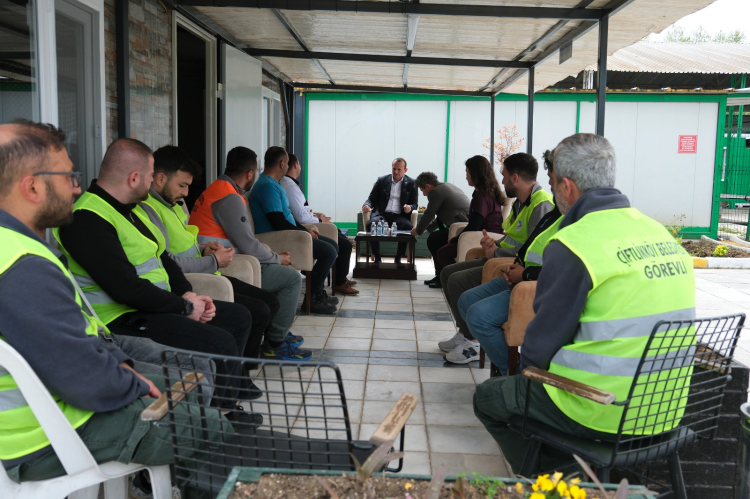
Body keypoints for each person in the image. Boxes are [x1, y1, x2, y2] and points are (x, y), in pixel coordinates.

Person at [0, 121, 231, 489]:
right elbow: (82, 378)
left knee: (191, 381)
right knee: (212, 428)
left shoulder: (15, 245)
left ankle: (170, 480)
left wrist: (121, 367)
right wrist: (130, 382)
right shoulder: (23, 264)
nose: (77, 187)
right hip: (49, 434)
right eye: (68, 177)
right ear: (32, 187)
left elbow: (70, 345)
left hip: (54, 408)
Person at [473, 133, 696, 474]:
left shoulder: (573, 243)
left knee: (488, 398)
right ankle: (587, 474)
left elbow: (539, 348)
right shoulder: (659, 233)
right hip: (666, 408)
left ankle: (561, 481)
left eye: (553, 183)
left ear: (566, 186)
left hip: (600, 409)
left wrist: (527, 377)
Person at [55, 138, 260, 422]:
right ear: (134, 178)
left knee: (238, 317)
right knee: (218, 342)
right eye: (150, 175)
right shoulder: (86, 219)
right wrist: (183, 308)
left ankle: (223, 407)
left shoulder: (130, 210)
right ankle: (217, 419)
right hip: (122, 317)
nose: (153, 182)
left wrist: (187, 295)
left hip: (154, 306)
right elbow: (125, 288)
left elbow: (163, 257)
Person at [142, 145, 289, 361]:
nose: (186, 193)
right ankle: (249, 364)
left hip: (209, 270)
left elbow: (184, 243)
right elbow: (168, 262)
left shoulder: (173, 203)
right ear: (160, 178)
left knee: (266, 303)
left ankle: (248, 363)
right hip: (193, 279)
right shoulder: (149, 209)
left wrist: (204, 250)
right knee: (256, 311)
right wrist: (212, 260)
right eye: (182, 185)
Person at [189, 146, 314, 357]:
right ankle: (276, 342)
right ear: (250, 174)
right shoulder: (229, 197)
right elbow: (248, 245)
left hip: (216, 259)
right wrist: (277, 259)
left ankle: (277, 331)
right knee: (292, 278)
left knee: (278, 277)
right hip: (226, 265)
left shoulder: (215, 189)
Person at [437, 153, 554, 362]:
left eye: (504, 175)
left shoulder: (541, 204)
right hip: (503, 260)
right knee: (447, 273)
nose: (502, 181)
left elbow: (531, 248)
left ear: (515, 178)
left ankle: (473, 342)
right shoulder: (521, 202)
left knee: (457, 281)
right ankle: (465, 333)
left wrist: (496, 253)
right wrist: (494, 244)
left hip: (513, 267)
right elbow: (514, 237)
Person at [248, 146, 338, 314]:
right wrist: (303, 233)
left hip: (289, 234)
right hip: (278, 238)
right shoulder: (267, 186)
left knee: (332, 245)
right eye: (288, 162)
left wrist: (305, 230)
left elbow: (286, 216)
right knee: (329, 251)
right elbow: (278, 221)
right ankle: (312, 298)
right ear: (282, 164)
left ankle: (317, 292)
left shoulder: (274, 184)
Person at [281, 153, 358, 295]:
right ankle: (336, 283)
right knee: (344, 245)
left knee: (340, 238)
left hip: (307, 225)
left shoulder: (290, 184)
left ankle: (339, 279)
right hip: (303, 229)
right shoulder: (288, 186)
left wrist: (316, 216)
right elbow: (300, 217)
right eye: (299, 163)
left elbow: (302, 211)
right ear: (296, 164)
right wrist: (320, 221)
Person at [430, 156, 505, 288]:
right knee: (436, 240)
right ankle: (445, 278)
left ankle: (459, 280)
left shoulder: (482, 196)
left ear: (475, 173)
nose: (466, 176)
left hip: (485, 237)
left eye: (467, 172)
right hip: (480, 234)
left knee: (443, 253)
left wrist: (455, 239)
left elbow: (474, 225)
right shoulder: (484, 192)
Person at [411, 171, 470, 287]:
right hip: (461, 225)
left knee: (433, 240)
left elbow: (429, 214)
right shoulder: (445, 186)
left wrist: (417, 230)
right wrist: (427, 229)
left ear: (428, 186)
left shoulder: (436, 192)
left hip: (461, 227)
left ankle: (441, 278)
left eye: (422, 190)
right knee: (435, 239)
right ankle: (440, 276)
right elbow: (440, 216)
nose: (424, 194)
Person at [362, 158, 418, 263]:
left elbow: (415, 204)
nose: (396, 172)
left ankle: (398, 258)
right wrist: (367, 205)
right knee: (371, 225)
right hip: (382, 214)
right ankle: (377, 258)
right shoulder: (382, 180)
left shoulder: (412, 183)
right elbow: (371, 199)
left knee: (407, 227)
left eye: (399, 169)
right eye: (394, 169)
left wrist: (409, 207)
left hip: (400, 216)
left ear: (405, 170)